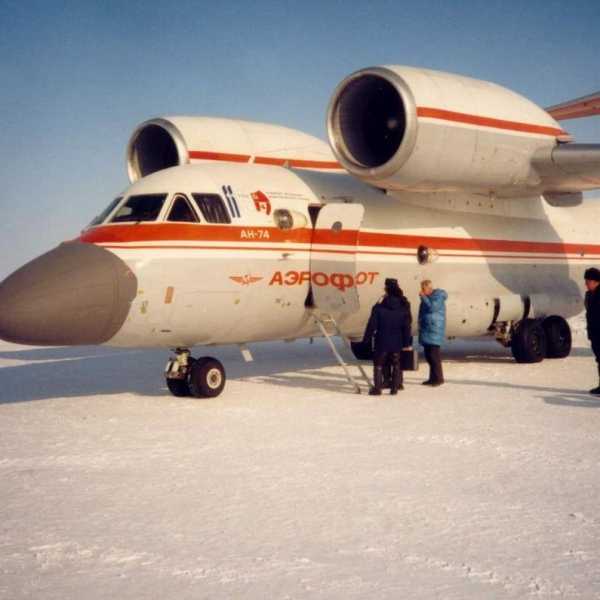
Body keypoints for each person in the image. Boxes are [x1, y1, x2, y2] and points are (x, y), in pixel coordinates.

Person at [362, 278, 412, 395]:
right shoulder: (404, 307)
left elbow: (372, 325)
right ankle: (394, 388)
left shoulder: (379, 308)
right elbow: (407, 327)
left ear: (386, 290)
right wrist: (406, 343)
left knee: (379, 364)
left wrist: (366, 339)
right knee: (396, 363)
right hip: (397, 341)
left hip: (382, 341)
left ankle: (378, 389)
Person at [418, 279, 448, 386]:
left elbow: (432, 307)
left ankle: (439, 379)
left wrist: (423, 297)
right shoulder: (427, 298)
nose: (422, 291)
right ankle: (432, 378)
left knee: (434, 356)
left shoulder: (438, 297)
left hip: (434, 330)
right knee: (429, 356)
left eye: (423, 288)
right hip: (428, 330)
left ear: (429, 288)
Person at [584, 267, 600, 395]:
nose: (586, 284)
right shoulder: (589, 295)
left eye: (588, 281)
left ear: (596, 281)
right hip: (595, 332)